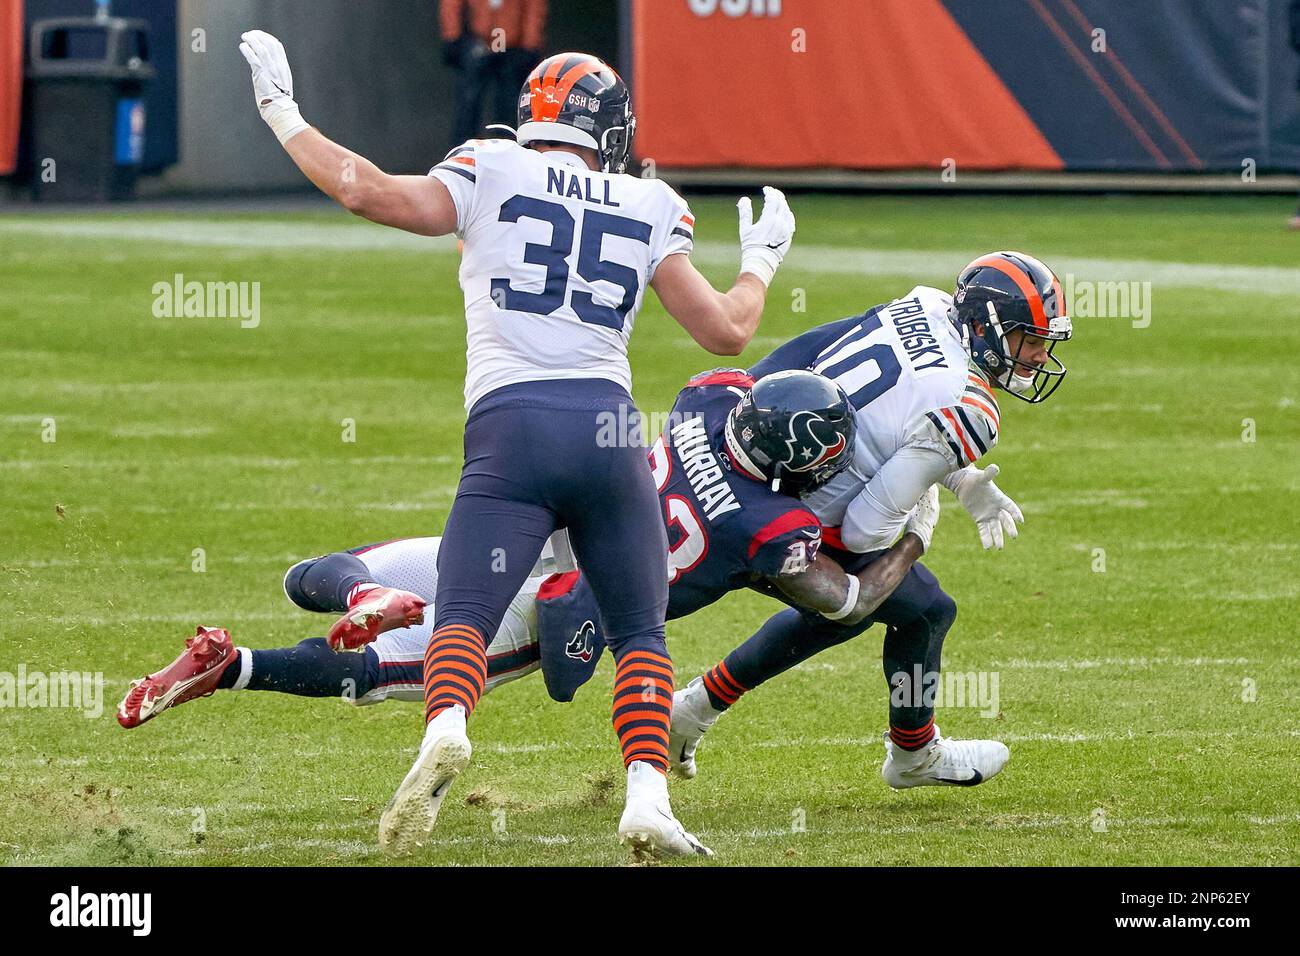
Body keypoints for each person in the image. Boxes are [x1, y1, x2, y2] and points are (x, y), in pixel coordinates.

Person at [237, 32, 797, 859]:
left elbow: (372, 195)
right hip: (608, 432)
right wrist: (761, 260)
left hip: (510, 425)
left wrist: (281, 113)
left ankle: (449, 724)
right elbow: (727, 330)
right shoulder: (649, 202)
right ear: (604, 128)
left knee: (465, 611)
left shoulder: (488, 165)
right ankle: (646, 796)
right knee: (640, 630)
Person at [671, 251, 1074, 790]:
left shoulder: (924, 306)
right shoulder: (972, 408)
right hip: (782, 519)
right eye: (1029, 339)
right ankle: (914, 754)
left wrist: (954, 474)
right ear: (983, 327)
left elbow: (809, 368)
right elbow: (865, 530)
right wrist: (919, 528)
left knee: (863, 611)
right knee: (921, 611)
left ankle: (695, 708)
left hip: (742, 455)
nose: (1038, 356)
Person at [441, 0, 546, 150]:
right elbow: (451, 5)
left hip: (511, 43)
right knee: (469, 101)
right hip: (478, 39)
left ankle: (506, 149)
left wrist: (529, 45)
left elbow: (533, 9)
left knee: (508, 101)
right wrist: (453, 37)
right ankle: (462, 151)